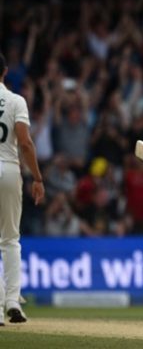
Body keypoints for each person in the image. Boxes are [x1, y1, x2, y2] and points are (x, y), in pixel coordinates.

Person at [0, 52, 45, 325]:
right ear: (4, 72)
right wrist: (38, 178)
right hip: (8, 169)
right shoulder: (16, 101)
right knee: (10, 239)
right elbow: (26, 143)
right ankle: (13, 301)